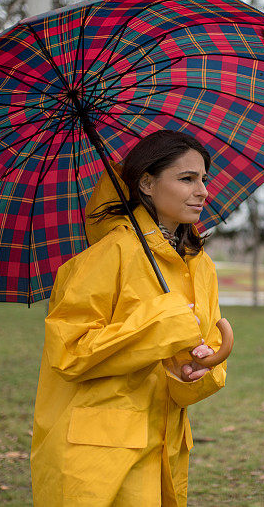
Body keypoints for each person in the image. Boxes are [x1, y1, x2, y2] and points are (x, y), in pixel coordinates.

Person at [30, 130, 229, 506]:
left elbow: (204, 348)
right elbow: (69, 352)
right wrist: (161, 325)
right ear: (147, 183)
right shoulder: (106, 256)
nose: (202, 190)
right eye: (187, 179)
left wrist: (195, 372)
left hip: (164, 448)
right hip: (96, 456)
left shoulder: (199, 266)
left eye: (204, 178)